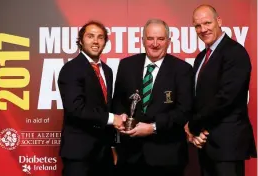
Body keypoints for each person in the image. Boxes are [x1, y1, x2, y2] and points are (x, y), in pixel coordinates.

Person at [112, 19, 193, 176]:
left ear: (168, 41)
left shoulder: (183, 69)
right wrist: (121, 117)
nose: (155, 44)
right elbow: (118, 102)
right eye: (150, 38)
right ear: (143, 40)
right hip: (130, 156)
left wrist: (153, 128)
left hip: (167, 157)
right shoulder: (126, 65)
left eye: (161, 39)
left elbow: (184, 111)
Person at [185, 5, 257, 176]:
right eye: (197, 25)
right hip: (205, 144)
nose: (203, 29)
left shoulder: (235, 52)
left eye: (207, 23)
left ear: (219, 21)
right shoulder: (201, 57)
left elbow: (226, 98)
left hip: (228, 145)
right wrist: (195, 132)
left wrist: (194, 125)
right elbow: (198, 98)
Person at [58, 21, 126, 176]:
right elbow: (76, 109)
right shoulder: (71, 69)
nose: (96, 41)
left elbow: (105, 107)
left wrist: (112, 146)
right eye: (90, 36)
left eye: (100, 37)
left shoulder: (107, 71)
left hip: (103, 153)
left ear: (105, 43)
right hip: (79, 154)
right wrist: (112, 118)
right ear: (81, 41)